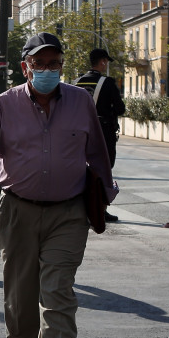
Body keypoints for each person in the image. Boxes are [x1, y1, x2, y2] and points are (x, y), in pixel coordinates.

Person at [0, 32, 118, 338]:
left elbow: (97, 152)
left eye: (54, 63)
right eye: (39, 63)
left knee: (58, 289)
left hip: (69, 212)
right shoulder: (3, 104)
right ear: (25, 66)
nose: (47, 70)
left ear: (63, 65)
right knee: (20, 291)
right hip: (17, 208)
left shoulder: (80, 101)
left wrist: (103, 197)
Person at [74, 48, 127, 222]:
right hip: (103, 131)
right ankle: (99, 209)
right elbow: (121, 108)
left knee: (81, 168)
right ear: (102, 61)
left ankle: (78, 206)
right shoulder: (108, 82)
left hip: (79, 131)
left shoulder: (77, 82)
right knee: (103, 170)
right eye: (106, 61)